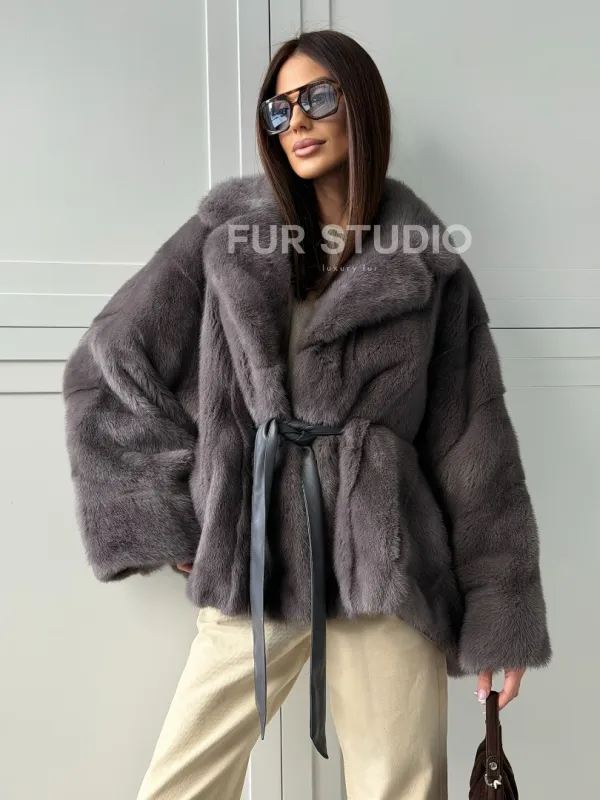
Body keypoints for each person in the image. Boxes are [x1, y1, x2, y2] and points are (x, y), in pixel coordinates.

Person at [62, 29, 552, 800]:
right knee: (179, 787)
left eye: (318, 97)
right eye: (278, 107)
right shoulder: (224, 237)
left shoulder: (430, 264)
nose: (296, 120)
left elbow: (474, 450)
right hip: (256, 558)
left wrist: (502, 618)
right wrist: (177, 520)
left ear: (362, 106)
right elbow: (105, 367)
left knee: (401, 788)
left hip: (385, 566)